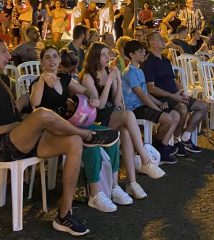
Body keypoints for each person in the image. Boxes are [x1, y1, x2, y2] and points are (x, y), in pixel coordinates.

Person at [0, 37, 120, 236]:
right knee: (42, 113)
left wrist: (22, 117)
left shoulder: (2, 80)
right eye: (3, 51)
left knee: (74, 142)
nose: (9, 56)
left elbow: (15, 110)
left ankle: (64, 214)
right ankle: (88, 134)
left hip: (22, 140)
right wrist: (9, 127)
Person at [30, 45, 140, 212]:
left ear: (59, 60)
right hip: (50, 131)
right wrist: (42, 80)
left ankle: (113, 186)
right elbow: (35, 102)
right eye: (47, 57)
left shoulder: (64, 79)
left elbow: (85, 90)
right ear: (41, 62)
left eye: (55, 56)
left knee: (110, 135)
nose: (52, 60)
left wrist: (93, 97)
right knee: (90, 141)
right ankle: (95, 194)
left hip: (69, 125)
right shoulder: (37, 82)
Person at [80, 42, 167, 176]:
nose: (107, 57)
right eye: (103, 55)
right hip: (96, 118)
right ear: (95, 57)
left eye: (108, 53)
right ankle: (145, 159)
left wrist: (118, 81)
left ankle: (131, 181)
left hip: (111, 114)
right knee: (128, 115)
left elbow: (117, 102)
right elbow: (100, 105)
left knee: (125, 132)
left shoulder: (109, 72)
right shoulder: (88, 77)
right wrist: (109, 82)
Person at [143, 30, 207, 157]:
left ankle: (185, 137)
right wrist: (173, 96)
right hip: (162, 99)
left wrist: (182, 92)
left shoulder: (166, 60)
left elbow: (173, 80)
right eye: (159, 38)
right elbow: (150, 88)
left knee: (203, 105)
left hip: (175, 95)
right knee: (182, 108)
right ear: (152, 43)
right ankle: (177, 141)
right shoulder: (148, 63)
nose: (163, 39)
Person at [121, 39, 182, 161]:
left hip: (143, 105)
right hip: (134, 108)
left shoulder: (139, 70)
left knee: (176, 115)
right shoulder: (130, 72)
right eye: (140, 51)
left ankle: (162, 146)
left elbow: (145, 94)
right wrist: (157, 109)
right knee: (168, 118)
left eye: (143, 50)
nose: (144, 53)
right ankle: (158, 145)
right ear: (131, 54)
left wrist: (160, 103)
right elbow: (142, 96)